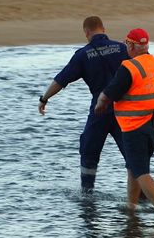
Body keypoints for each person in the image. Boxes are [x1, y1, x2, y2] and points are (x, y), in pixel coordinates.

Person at [94, 28, 154, 220]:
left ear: (131, 45)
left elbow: (108, 94)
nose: (126, 47)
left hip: (134, 127)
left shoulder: (130, 67)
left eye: (126, 44)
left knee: (141, 171)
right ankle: (131, 207)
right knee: (133, 167)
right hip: (153, 128)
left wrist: (100, 104)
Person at [38, 16, 129, 192]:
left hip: (99, 111)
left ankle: (87, 194)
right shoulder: (121, 48)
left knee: (89, 151)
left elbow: (61, 80)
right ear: (103, 29)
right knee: (131, 153)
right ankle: (140, 194)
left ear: (86, 32)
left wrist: (44, 99)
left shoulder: (82, 55)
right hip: (124, 110)